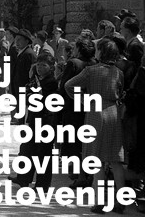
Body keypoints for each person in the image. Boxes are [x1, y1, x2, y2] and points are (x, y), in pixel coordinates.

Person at [65, 38, 127, 214]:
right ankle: (120, 201)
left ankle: (100, 202)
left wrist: (82, 99)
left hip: (95, 113)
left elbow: (69, 85)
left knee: (96, 160)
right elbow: (121, 92)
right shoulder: (118, 72)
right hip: (113, 113)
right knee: (115, 160)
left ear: (101, 52)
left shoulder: (90, 71)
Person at [10, 52, 60, 189]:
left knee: (43, 153)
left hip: (46, 120)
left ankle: (42, 185)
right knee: (27, 148)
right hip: (33, 118)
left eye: (43, 65)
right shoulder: (36, 79)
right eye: (38, 65)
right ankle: (23, 178)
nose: (39, 68)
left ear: (51, 67)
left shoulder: (51, 83)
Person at [60, 33, 97, 189]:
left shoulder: (73, 63)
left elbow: (64, 86)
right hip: (91, 108)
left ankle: (79, 173)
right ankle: (87, 173)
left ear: (79, 50)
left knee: (74, 142)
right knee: (87, 141)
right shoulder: (95, 63)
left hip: (73, 108)